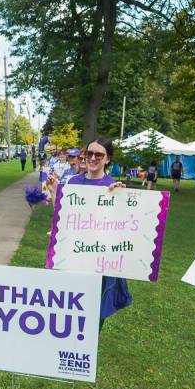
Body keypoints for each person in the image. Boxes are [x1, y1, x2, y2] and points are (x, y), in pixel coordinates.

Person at [46, 137, 132, 330]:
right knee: (71, 313)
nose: (93, 158)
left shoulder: (114, 187)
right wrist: (54, 194)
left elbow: (122, 228)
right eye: (89, 153)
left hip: (99, 264)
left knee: (93, 318)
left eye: (98, 154)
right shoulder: (74, 182)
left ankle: (86, 355)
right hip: (75, 259)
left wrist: (120, 199)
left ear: (107, 159)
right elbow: (64, 217)